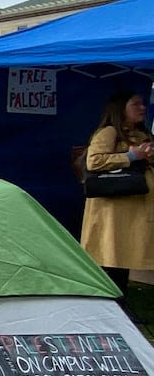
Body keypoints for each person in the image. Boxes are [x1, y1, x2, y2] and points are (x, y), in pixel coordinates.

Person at [80, 89, 154, 319]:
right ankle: (109, 311)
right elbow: (94, 161)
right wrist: (132, 156)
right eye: (136, 104)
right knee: (112, 259)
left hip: (134, 211)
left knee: (123, 259)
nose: (142, 108)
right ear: (121, 108)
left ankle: (120, 308)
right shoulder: (109, 132)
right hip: (113, 213)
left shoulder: (140, 134)